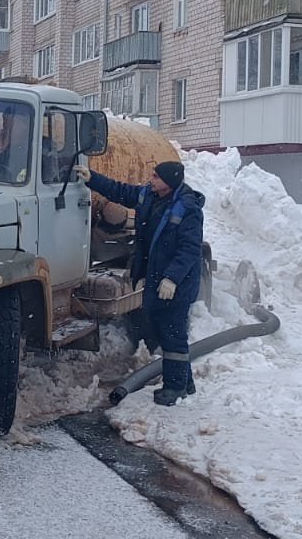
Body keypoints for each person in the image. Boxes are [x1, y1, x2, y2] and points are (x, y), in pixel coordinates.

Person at [74, 161, 205, 407]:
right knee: (160, 328)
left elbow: (189, 249)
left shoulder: (187, 208)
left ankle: (175, 387)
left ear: (169, 181)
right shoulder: (149, 195)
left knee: (172, 332)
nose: (151, 178)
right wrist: (92, 178)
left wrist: (172, 279)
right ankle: (185, 381)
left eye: (156, 176)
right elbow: (120, 191)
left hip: (176, 282)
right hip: (156, 275)